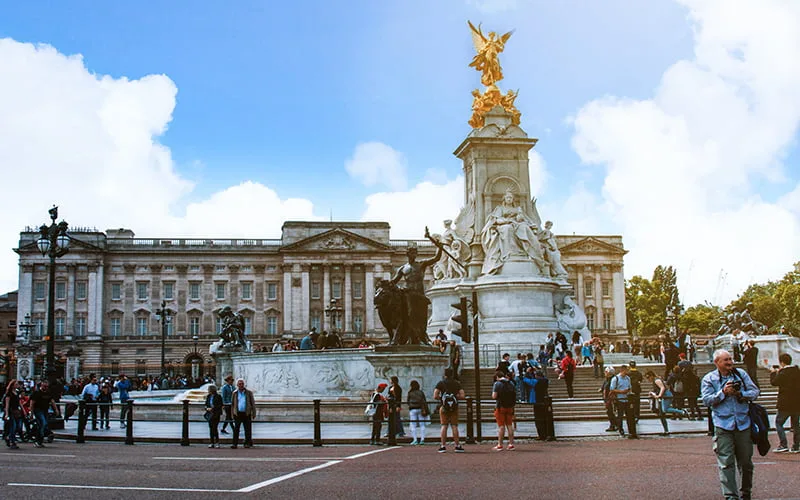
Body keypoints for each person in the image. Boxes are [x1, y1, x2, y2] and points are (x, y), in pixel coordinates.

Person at [701, 349, 760, 500]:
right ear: (717, 362)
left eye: (730, 359)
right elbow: (707, 400)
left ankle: (746, 492)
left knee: (746, 462)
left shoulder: (740, 374)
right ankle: (730, 496)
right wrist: (723, 392)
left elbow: (755, 391)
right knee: (726, 462)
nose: (729, 363)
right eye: (726, 360)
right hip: (723, 425)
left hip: (742, 423)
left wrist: (741, 394)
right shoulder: (709, 379)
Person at [769, 353, 800, 453]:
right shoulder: (797, 371)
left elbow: (774, 382)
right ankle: (796, 446)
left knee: (779, 423)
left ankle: (783, 444)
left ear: (782, 362)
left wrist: (773, 372)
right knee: (795, 425)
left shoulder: (783, 373)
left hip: (785, 403)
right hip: (797, 402)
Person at [433, 368, 465, 453]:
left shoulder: (441, 383)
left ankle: (443, 446)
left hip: (444, 406)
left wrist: (442, 398)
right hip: (454, 407)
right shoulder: (456, 383)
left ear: (445, 374)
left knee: (444, 425)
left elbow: (435, 395)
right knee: (454, 426)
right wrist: (455, 397)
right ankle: (457, 445)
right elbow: (462, 395)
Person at [609, 365, 638, 439]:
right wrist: (621, 392)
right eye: (627, 370)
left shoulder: (628, 378)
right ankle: (620, 430)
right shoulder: (616, 378)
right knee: (620, 416)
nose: (628, 372)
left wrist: (628, 391)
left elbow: (630, 387)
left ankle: (631, 431)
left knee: (630, 416)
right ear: (623, 370)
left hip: (627, 399)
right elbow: (612, 389)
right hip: (619, 400)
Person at [492, 370, 517, 451]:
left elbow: (494, 396)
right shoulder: (511, 383)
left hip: (500, 406)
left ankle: (500, 444)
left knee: (501, 426)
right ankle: (511, 444)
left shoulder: (497, 384)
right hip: (510, 406)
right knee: (509, 425)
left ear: (497, 377)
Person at [230, 378, 256, 448]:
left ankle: (247, 443)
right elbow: (232, 404)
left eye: (242, 384)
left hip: (246, 413)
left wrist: (254, 413)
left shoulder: (249, 393)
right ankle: (234, 443)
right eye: (239, 384)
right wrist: (232, 414)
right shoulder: (234, 393)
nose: (241, 385)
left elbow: (252, 403)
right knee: (236, 429)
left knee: (247, 429)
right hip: (237, 413)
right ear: (237, 385)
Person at [406, 380, 428, 445]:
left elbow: (408, 401)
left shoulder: (410, 392)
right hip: (420, 408)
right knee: (422, 425)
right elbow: (424, 400)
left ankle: (415, 439)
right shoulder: (421, 392)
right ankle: (422, 439)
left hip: (412, 409)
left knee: (413, 425)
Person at [3, 379, 22, 449]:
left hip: (16, 411)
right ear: (12, 385)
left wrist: (23, 410)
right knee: (13, 426)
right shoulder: (9, 393)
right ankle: (12, 441)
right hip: (11, 411)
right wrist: (6, 414)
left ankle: (9, 437)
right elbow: (7, 404)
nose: (17, 385)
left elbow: (19, 403)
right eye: (16, 384)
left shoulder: (17, 392)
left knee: (18, 426)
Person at [600, 367, 618, 432]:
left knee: (611, 412)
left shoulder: (613, 380)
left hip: (610, 399)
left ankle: (613, 425)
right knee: (609, 412)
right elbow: (604, 386)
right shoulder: (607, 379)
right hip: (607, 398)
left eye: (606, 372)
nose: (605, 373)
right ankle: (615, 424)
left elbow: (612, 389)